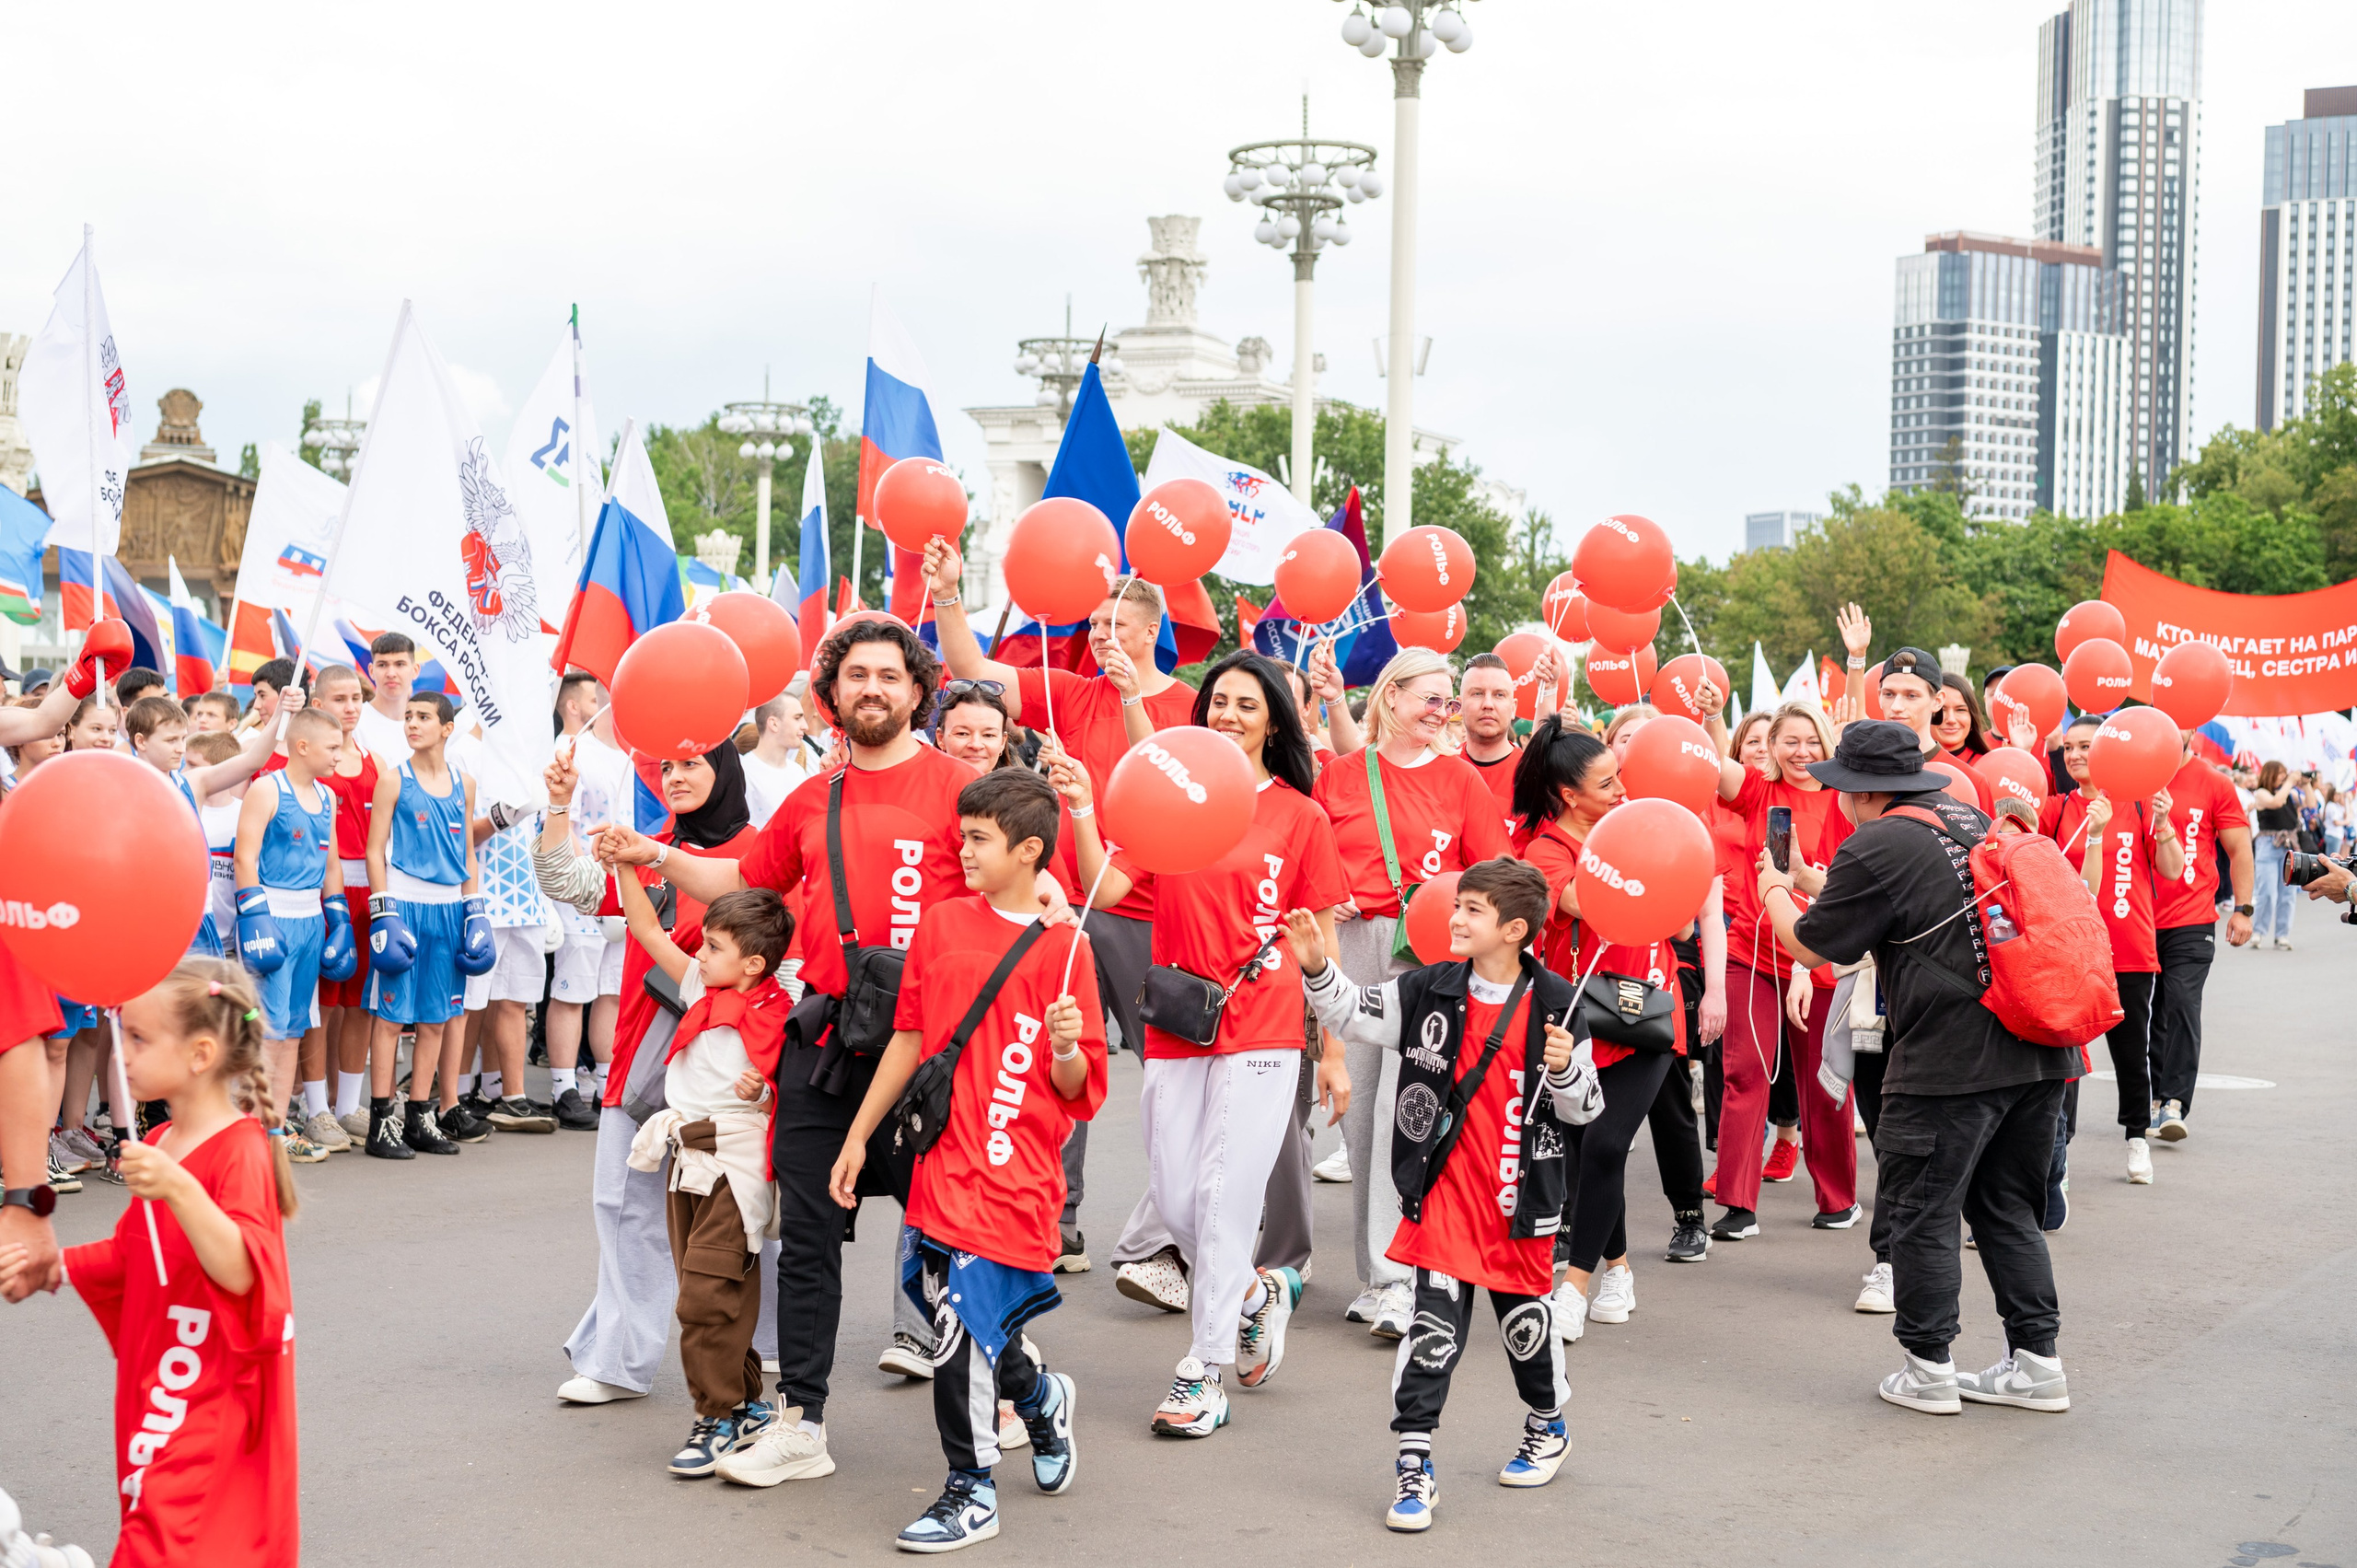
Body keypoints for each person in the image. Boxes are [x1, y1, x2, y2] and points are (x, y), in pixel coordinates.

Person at [596, 619, 998, 1473]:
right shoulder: (815, 798)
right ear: (833, 694)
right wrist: (654, 853)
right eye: (856, 675)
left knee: (952, 1241)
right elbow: (743, 880)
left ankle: (1015, 1387)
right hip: (827, 1040)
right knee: (809, 1237)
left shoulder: (964, 788)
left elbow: (1014, 901)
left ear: (918, 690)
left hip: (931, 1050)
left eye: (888, 674)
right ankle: (802, 1422)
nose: (872, 688)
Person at [1051, 649, 1349, 1436]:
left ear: (1274, 721)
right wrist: (1081, 806)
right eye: (1219, 700)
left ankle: (1203, 1370)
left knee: (1223, 1195)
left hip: (1265, 1020)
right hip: (1181, 1018)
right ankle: (1253, 1293)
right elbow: (1109, 885)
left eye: (1248, 704)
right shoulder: (1174, 804)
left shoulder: (1300, 815)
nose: (1229, 714)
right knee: (1177, 1196)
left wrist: (1334, 1047)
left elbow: (1320, 938)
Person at [819, 769, 1107, 1544]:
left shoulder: (1067, 948)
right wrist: (858, 1135)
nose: (964, 849)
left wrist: (1068, 1046)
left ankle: (970, 1488)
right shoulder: (942, 922)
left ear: (1030, 849)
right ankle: (1039, 1397)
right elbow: (909, 1037)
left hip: (1014, 1168)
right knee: (959, 1317)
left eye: (979, 838)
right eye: (963, 834)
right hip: (940, 1157)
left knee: (958, 1328)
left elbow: (1078, 1088)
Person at [1756, 721, 2075, 1417]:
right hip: (2035, 1043)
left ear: (1861, 790)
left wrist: (1775, 887)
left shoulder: (1876, 841)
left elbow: (1811, 947)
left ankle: (1929, 1366)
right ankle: (2037, 1362)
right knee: (2006, 1208)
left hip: (1948, 1058)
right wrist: (1810, 879)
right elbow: (1899, 904)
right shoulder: (1967, 818)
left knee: (1922, 1211)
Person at [1288, 858, 1603, 1531]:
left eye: (1472, 909)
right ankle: (1414, 1465)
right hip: (1441, 1201)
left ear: (1515, 929)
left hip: (1518, 1204)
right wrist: (1317, 969)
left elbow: (1585, 1109)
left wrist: (1565, 1070)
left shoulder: (1559, 1002)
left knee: (1525, 1333)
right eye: (1457, 904)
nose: (1454, 918)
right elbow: (1352, 1012)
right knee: (1431, 1334)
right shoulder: (1428, 986)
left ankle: (1548, 1423)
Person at [924, 536, 1193, 1273]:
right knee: (1055, 1053)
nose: (1100, 634)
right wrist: (948, 593)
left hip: (1144, 907)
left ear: (1149, 630)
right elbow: (972, 668)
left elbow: (1164, 774)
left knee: (1168, 1076)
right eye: (1094, 623)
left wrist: (1133, 698)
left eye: (1115, 624)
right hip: (1062, 904)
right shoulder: (1074, 691)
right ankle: (1060, 1218)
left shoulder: (1186, 703)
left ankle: (1179, 1226)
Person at [0, 959, 300, 1565]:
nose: (123, 1054)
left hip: (212, 1394)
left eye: (138, 1038)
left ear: (200, 1054)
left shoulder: (240, 1149)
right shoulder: (161, 1142)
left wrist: (178, 1186)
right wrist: (54, 1266)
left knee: (163, 1537)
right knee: (157, 1522)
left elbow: (245, 1270)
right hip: (164, 1381)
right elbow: (134, 1251)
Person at [537, 742, 768, 1408]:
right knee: (624, 1206)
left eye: (692, 763)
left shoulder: (760, 853)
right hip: (643, 1059)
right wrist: (559, 804)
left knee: (748, 1212)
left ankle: (769, 1343)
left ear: (724, 771)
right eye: (667, 766)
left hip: (735, 1068)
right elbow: (568, 883)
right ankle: (617, 1360)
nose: (676, 777)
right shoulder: (646, 846)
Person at [1313, 646, 1514, 1337]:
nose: (1442, 712)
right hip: (1352, 945)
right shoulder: (1340, 774)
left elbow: (1498, 873)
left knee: (1407, 1109)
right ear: (1390, 696)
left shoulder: (1461, 779)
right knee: (1358, 1112)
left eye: (1448, 700)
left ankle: (1399, 1276)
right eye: (1432, 698)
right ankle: (1377, 1276)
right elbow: (1313, 861)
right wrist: (1331, 894)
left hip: (1428, 955)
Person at [1515, 716, 1701, 1340]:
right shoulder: (1545, 850)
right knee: (1585, 1153)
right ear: (1569, 795)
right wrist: (1631, 856)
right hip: (1579, 1021)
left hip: (1649, 1012)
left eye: (1621, 777)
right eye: (1607, 783)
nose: (1623, 790)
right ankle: (1617, 1268)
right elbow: (1580, 903)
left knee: (1605, 1144)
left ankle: (1573, 1286)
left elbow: (1681, 924)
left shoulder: (1637, 827)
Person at [610, 872, 789, 1476]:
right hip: (685, 1156)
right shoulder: (698, 985)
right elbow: (645, 928)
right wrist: (626, 865)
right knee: (712, 1287)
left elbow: (790, 1097)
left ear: (754, 964)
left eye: (715, 946)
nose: (701, 953)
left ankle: (716, 1416)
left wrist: (763, 1091)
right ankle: (745, 1407)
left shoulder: (779, 1014)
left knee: (704, 1295)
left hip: (737, 1165)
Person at [1701, 695, 1861, 1241]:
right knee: (1744, 1075)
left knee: (1825, 1086)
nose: (1801, 751)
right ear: (1771, 745)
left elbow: (1842, 888)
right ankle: (1737, 1204)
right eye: (1789, 740)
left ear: (1826, 742)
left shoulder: (1844, 801)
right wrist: (1713, 713)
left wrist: (1806, 967)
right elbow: (1713, 762)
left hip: (1819, 962)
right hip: (1751, 955)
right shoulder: (1757, 790)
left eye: (1811, 740)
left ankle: (1838, 1198)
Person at [1599, 706, 1724, 1264]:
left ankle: (1689, 1216)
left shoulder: (1689, 821)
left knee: (1670, 1104)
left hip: (1659, 980)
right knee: (1587, 1112)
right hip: (1594, 978)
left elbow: (1701, 921)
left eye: (1647, 738)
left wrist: (1716, 992)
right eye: (1626, 737)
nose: (1636, 748)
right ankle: (1581, 1224)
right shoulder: (1598, 813)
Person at [2039, 714, 2183, 1187]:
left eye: (2087, 746)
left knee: (2130, 1052)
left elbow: (2172, 870)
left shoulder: (2139, 804)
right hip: (2071, 952)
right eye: (2069, 748)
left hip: (2129, 951)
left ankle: (2137, 1137)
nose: (2076, 755)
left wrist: (2163, 822)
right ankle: (2059, 1152)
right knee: (2066, 1059)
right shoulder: (2058, 808)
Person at [360, 692, 490, 1158]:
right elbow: (375, 849)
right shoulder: (394, 779)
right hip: (405, 904)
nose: (412, 724)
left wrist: (474, 908)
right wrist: (384, 909)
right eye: (409, 717)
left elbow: (467, 852)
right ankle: (381, 1121)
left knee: (437, 1016)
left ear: (447, 728)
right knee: (392, 1016)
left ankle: (420, 1116)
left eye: (424, 717)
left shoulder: (464, 783)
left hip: (448, 908)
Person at [230, 706, 352, 1166]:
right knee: (267, 1029)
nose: (339, 755)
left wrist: (339, 920)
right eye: (332, 747)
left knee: (294, 1030)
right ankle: (250, 1128)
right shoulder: (267, 789)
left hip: (310, 920)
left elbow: (332, 863)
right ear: (303, 746)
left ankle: (276, 1128)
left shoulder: (328, 796)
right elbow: (244, 857)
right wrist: (254, 915)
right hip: (272, 916)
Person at [122, 693, 293, 958]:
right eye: (170, 740)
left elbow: (252, 761)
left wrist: (281, 712)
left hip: (197, 919)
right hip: (149, 921)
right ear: (141, 741)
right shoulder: (123, 791)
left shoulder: (192, 783)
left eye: (182, 738)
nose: (180, 749)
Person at [2148, 727, 2254, 1144]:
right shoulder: (2136, 774)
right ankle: (2154, 1095)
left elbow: (2239, 848)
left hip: (2192, 919)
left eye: (2181, 720)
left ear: (2192, 729)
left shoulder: (2214, 783)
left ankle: (2172, 1102)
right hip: (2139, 916)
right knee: (2149, 1012)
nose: (2172, 727)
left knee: (2181, 1005)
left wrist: (2243, 909)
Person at [296, 665, 385, 1148]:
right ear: (318, 703)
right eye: (340, 699)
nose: (351, 707)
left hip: (370, 889)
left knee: (362, 1004)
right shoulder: (313, 762)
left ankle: (349, 1105)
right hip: (327, 889)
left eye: (357, 699)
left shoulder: (376, 762)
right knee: (322, 1006)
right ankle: (317, 1108)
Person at [1457, 652, 1529, 841]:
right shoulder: (1441, 768)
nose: (1488, 704)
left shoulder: (1533, 775)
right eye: (1477, 693)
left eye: (1499, 695)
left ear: (1513, 708)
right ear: (1459, 705)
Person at [741, 691, 814, 828]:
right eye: (797, 718)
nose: (805, 726)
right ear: (774, 723)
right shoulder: (744, 773)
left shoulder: (797, 771)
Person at [2249, 761, 2300, 948]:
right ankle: (2258, 931)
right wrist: (2290, 782)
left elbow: (2311, 804)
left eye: (2285, 773)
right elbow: (2275, 802)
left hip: (2288, 846)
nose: (2284, 777)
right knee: (2267, 892)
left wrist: (2306, 785)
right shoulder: (2261, 793)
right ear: (2270, 774)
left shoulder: (2289, 793)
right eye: (2280, 773)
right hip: (2268, 845)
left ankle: (2282, 935)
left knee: (2288, 893)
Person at [354, 633, 417, 765]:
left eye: (400, 664)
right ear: (371, 671)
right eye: (382, 665)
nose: (391, 674)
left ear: (415, 670)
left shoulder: (426, 727)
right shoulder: (355, 722)